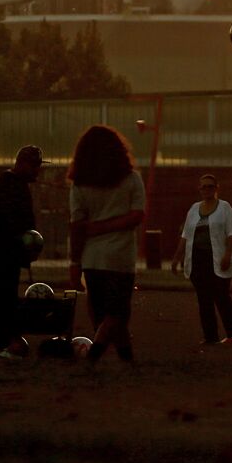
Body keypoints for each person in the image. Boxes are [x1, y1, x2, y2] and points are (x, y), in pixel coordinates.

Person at [67, 125, 146, 363]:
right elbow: (137, 215)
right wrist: (110, 226)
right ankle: (95, 357)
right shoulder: (132, 179)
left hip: (92, 257)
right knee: (118, 313)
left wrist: (74, 262)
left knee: (104, 315)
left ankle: (126, 359)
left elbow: (77, 225)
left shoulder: (79, 184)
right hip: (120, 257)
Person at [171, 173, 232, 346]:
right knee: (203, 299)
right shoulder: (193, 209)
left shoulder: (224, 207)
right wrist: (177, 258)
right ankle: (210, 336)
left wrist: (227, 255)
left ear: (216, 189)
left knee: (222, 297)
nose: (207, 189)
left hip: (217, 258)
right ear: (199, 189)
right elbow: (185, 236)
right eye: (204, 186)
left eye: (210, 186)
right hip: (197, 260)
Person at [0, 146, 42, 360]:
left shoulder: (14, 183)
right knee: (5, 298)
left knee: (4, 297)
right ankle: (8, 343)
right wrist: (26, 243)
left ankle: (2, 341)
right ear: (23, 163)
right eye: (34, 166)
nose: (37, 171)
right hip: (1, 250)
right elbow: (12, 221)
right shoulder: (11, 183)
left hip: (3, 250)